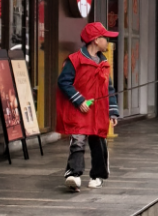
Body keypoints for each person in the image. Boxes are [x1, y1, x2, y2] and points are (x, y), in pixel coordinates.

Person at [56, 22, 119, 192]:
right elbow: (64, 82)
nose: (107, 42)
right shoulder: (75, 60)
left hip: (99, 112)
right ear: (96, 40)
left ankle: (98, 176)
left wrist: (113, 111)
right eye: (105, 38)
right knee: (77, 140)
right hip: (81, 110)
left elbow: (109, 89)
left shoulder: (104, 63)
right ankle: (73, 175)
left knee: (98, 142)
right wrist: (79, 100)